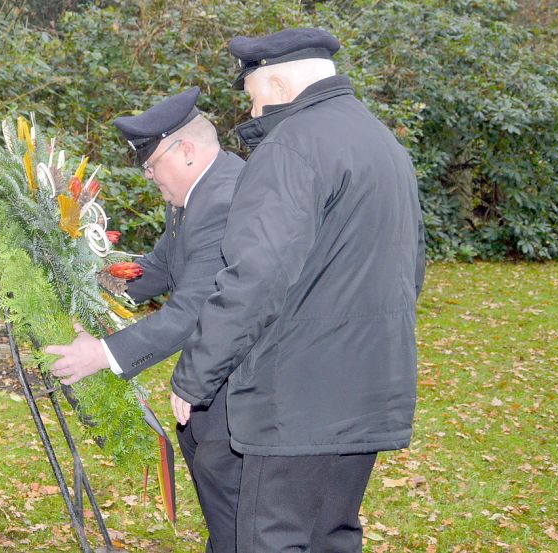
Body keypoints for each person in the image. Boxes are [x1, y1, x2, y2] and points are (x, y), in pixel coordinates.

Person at [169, 28, 426, 553]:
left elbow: (253, 279)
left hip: (296, 403)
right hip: (367, 391)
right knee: (331, 536)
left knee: (274, 538)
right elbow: (411, 266)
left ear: (279, 83)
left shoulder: (291, 145)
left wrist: (195, 378)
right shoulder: (383, 142)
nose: (255, 111)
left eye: (254, 95)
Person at [45, 87, 245, 553]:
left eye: (153, 163)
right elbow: (156, 269)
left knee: (241, 514)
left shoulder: (222, 199)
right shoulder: (199, 193)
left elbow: (195, 308)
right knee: (226, 505)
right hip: (221, 380)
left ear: (188, 150)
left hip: (242, 383)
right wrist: (83, 277)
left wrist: (103, 353)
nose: (149, 174)